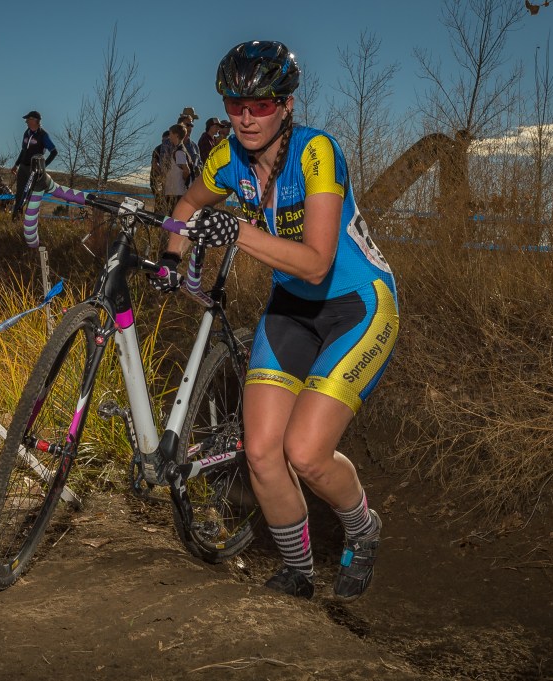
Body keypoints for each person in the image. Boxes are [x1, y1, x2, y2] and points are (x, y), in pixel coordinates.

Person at [152, 41, 398, 602]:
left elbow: (315, 263)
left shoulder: (317, 153)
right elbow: (186, 208)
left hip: (356, 306)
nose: (245, 116)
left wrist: (235, 231)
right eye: (235, 103)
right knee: (262, 452)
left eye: (260, 105)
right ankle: (298, 572)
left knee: (306, 454)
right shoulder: (225, 159)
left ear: (286, 105)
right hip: (290, 311)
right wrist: (171, 258)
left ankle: (363, 527)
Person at [11, 111, 58, 220]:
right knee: (20, 193)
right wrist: (16, 165)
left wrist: (43, 166)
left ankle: (29, 221)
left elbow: (54, 152)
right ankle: (16, 218)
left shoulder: (43, 135)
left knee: (31, 195)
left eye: (28, 119)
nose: (26, 121)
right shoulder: (26, 133)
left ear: (34, 120)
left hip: (34, 170)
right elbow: (23, 150)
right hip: (23, 167)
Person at [155, 123, 190, 217]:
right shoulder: (177, 150)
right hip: (172, 192)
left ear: (176, 135)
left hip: (176, 193)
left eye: (170, 134)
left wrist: (181, 182)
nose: (169, 136)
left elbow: (186, 170)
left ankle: (172, 232)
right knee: (169, 218)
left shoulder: (179, 152)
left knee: (172, 218)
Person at [177, 109, 203, 184]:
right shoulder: (170, 143)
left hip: (191, 187)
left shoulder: (195, 147)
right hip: (174, 188)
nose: (189, 127)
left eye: (191, 125)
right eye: (187, 125)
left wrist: (198, 170)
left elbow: (200, 165)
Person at [150, 130, 172, 197]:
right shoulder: (158, 148)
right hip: (157, 177)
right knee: (159, 197)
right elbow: (154, 164)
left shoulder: (173, 149)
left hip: (168, 179)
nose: (164, 143)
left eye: (167, 140)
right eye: (163, 140)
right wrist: (162, 174)